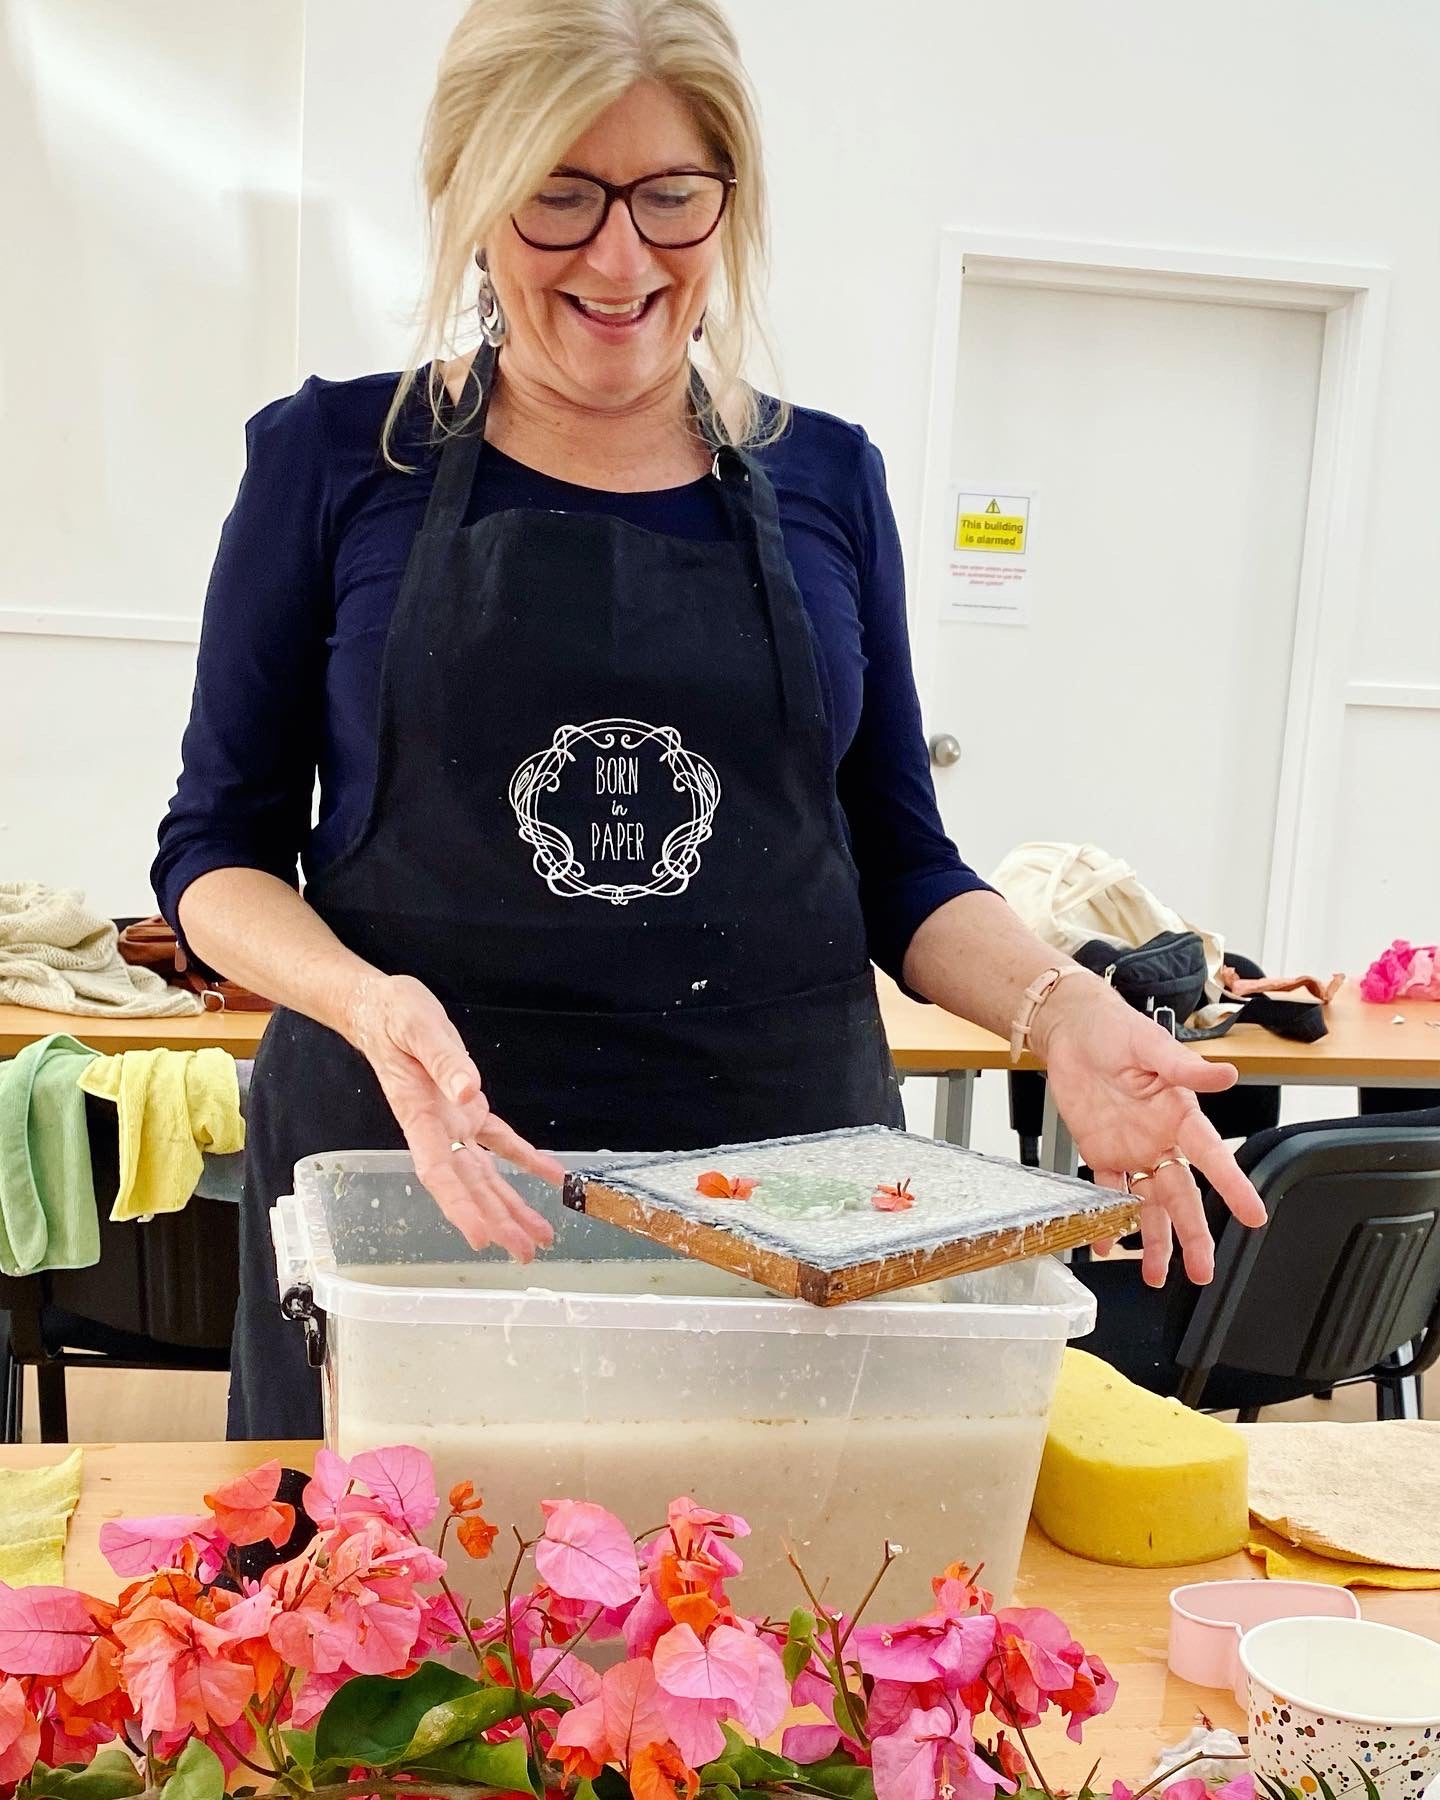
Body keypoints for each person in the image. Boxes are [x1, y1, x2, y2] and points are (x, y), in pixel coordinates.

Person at [153, 0, 1266, 1441]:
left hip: (781, 1187)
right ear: (472, 199)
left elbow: (898, 864)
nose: (619, 259)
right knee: (401, 1634)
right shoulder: (333, 459)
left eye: (670, 197)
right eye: (559, 198)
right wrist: (366, 1004)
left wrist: (1062, 1010)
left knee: (762, 1620)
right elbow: (215, 853)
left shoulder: (828, 482)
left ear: (727, 200)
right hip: (424, 1173)